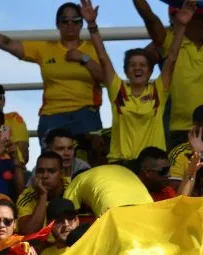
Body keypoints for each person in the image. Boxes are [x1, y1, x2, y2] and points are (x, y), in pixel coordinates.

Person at [0, 3, 102, 143]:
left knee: (94, 161)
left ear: (81, 23)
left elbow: (106, 77)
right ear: (57, 24)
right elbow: (9, 44)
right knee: (51, 162)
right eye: (65, 21)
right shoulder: (45, 47)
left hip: (86, 112)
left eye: (75, 20)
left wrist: (84, 58)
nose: (70, 24)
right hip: (52, 114)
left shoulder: (92, 48)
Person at [80, 0, 190, 162]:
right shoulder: (117, 88)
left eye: (143, 65)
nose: (137, 68)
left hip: (152, 165)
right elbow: (103, 57)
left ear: (150, 70)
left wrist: (181, 25)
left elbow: (172, 57)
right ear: (125, 70)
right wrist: (91, 24)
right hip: (121, 163)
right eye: (132, 65)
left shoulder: (158, 90)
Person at [131, 0, 203, 148]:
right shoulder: (169, 43)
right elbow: (149, 17)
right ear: (187, 18)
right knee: (182, 172)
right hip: (182, 131)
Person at [17, 152, 69, 236]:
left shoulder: (73, 186)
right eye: (40, 171)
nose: (45, 176)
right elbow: (28, 232)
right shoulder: (27, 195)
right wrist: (43, 195)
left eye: (51, 171)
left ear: (62, 173)